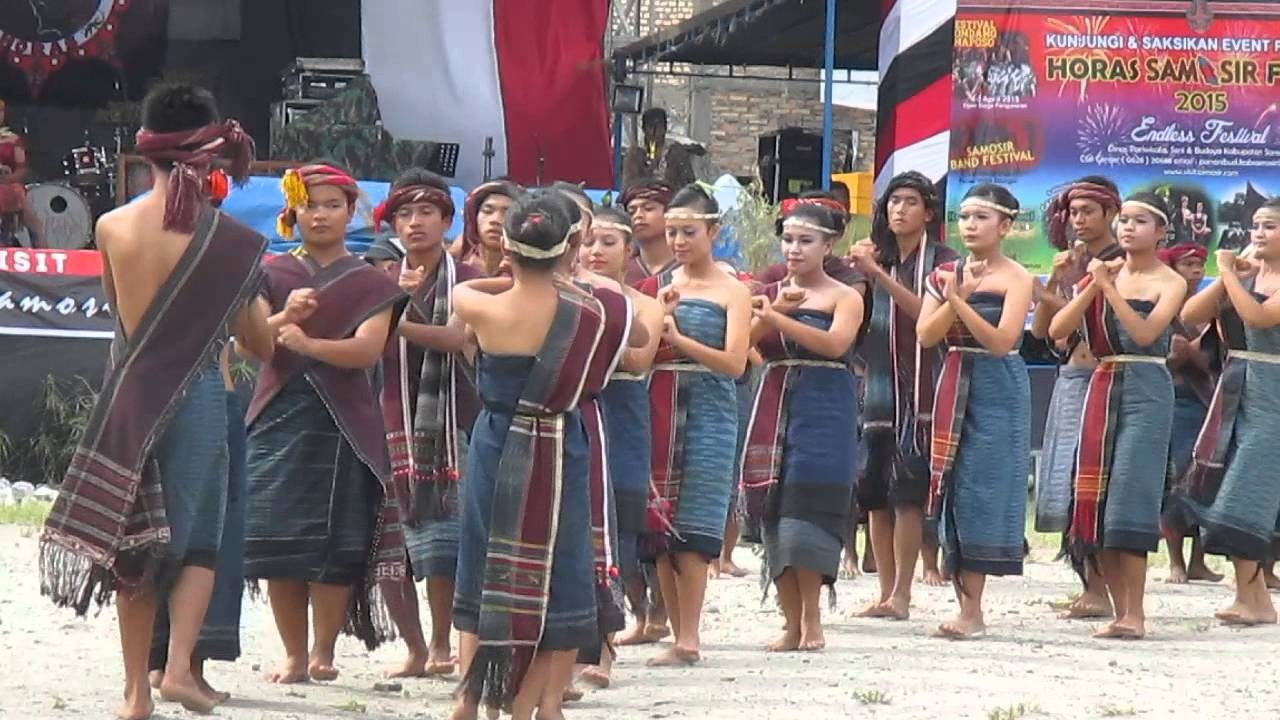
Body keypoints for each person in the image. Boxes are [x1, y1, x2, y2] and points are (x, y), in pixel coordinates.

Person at [38, 82, 269, 720]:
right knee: (197, 542)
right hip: (197, 394)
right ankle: (179, 672)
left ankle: (135, 691)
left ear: (148, 153)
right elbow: (261, 343)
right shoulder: (233, 243)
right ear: (212, 155)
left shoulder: (112, 225)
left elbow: (120, 312)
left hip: (129, 395)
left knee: (134, 544)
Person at [449, 191, 620, 720]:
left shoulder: (479, 305)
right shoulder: (594, 312)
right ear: (572, 245)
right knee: (560, 571)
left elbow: (467, 290)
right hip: (559, 444)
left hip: (497, 442)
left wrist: (504, 271)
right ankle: (530, 706)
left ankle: (467, 700)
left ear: (506, 244)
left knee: (485, 563)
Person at [244, 163, 407, 683]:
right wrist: (283, 317)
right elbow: (253, 344)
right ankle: (294, 655)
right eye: (311, 205)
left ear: (351, 210)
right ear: (293, 210)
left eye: (333, 205)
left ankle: (323, 653)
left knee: (338, 543)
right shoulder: (271, 271)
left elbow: (365, 350)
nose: (321, 215)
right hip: (278, 418)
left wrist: (310, 343)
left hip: (345, 424)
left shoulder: (368, 281)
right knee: (278, 542)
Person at [1049, 191, 1186, 640]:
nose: (1128, 228)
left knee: (1131, 494)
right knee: (1097, 495)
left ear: (1161, 232)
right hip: (1102, 384)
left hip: (1147, 387)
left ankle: (1136, 612)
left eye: (1140, 221)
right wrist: (1091, 286)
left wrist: (1108, 289)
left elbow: (1146, 334)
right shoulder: (1102, 275)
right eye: (1124, 220)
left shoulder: (1170, 281)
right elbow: (1057, 330)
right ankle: (1113, 605)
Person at [373, 169, 484, 679]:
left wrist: (400, 310)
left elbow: (458, 339)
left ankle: (442, 643)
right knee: (391, 538)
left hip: (452, 421)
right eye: (403, 214)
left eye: (425, 213)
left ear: (446, 220)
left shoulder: (469, 279)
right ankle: (415, 646)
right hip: (391, 416)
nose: (414, 223)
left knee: (444, 540)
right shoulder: (377, 276)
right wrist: (391, 297)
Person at [742, 201, 864, 651]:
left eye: (806, 241)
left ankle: (813, 620)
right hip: (774, 401)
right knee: (774, 511)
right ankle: (789, 620)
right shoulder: (769, 290)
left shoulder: (844, 295)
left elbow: (835, 345)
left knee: (808, 510)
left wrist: (777, 316)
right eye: (788, 240)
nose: (794, 249)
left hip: (825, 406)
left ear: (829, 245)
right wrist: (768, 310)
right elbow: (737, 348)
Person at [639, 184, 751, 667]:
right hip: (657, 405)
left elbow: (734, 363)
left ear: (714, 231)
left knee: (696, 525)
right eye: (672, 232)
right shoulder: (658, 284)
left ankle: (690, 635)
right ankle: (668, 627)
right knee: (658, 523)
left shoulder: (733, 290)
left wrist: (680, 338)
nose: (679, 241)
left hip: (709, 409)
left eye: (689, 231)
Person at [917, 184, 1034, 639]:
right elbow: (927, 335)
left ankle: (974, 609)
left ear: (1005, 226)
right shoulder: (944, 273)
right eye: (964, 216)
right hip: (954, 376)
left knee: (984, 488)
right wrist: (952, 297)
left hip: (997, 385)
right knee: (952, 483)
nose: (970, 225)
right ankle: (965, 605)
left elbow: (1004, 341)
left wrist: (960, 300)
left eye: (981, 217)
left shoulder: (1018, 278)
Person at [847, 171, 957, 620]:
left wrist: (879, 276)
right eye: (893, 202)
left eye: (910, 202)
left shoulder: (945, 262)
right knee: (874, 490)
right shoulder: (880, 258)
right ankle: (885, 590)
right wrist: (861, 274)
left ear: (928, 213)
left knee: (907, 491)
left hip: (923, 386)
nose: (899, 210)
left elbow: (925, 316)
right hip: (877, 383)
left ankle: (904, 595)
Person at [1165, 199, 1280, 626]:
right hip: (1234, 390)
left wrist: (1231, 274)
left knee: (1247, 492)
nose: (1259, 233)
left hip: (1272, 391)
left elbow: (1261, 316)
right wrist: (1227, 277)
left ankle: (1256, 596)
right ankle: (1251, 598)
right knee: (1221, 486)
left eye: (1270, 226)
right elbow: (1191, 314)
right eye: (1256, 226)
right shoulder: (1248, 271)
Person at [575, 206, 666, 677]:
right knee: (577, 528)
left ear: (630, 250)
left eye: (608, 242)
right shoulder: (566, 293)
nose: (596, 251)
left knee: (621, 533)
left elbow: (636, 359)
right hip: (578, 407)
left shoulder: (645, 303)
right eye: (589, 241)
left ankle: (607, 645)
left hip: (624, 414)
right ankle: (578, 647)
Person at [1030, 176, 1124, 620]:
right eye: (1073, 212)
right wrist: (1054, 282)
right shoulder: (1072, 262)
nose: (1079, 220)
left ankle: (1103, 588)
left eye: (1088, 211)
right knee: (1066, 477)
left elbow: (1087, 324)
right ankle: (1088, 583)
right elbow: (1040, 331)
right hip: (1071, 374)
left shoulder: (1120, 263)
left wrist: (1066, 289)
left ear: (1110, 214)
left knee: (1093, 480)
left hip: (1103, 376)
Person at [147, 346, 251, 706]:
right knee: (206, 538)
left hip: (146, 385)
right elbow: (255, 340)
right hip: (207, 390)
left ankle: (151, 672)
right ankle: (184, 669)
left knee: (152, 527)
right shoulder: (221, 285)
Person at [1158, 243, 1222, 584]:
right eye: (1187, 263)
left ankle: (1199, 560)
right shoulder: (1166, 305)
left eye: (1200, 263)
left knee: (1205, 480)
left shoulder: (1208, 309)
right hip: (1174, 400)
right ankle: (1175, 562)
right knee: (1176, 478)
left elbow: (1213, 357)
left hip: (1207, 402)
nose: (1196, 270)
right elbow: (1167, 358)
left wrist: (1197, 353)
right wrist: (1185, 354)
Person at [450, 179, 520, 276]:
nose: (495, 220)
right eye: (487, 211)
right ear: (474, 218)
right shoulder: (455, 263)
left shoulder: (531, 271)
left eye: (507, 213)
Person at [622, 107, 699, 190]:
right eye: (651, 127)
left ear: (665, 129)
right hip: (642, 198)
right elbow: (629, 185)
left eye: (659, 127)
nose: (655, 132)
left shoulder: (676, 152)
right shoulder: (635, 153)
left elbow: (688, 183)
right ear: (644, 129)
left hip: (670, 199)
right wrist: (647, 174)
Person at [620, 177, 679, 286]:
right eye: (631, 211)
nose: (638, 216)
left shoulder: (689, 268)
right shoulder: (621, 270)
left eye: (648, 208)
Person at [0, 98, 41, 245]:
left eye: (1, 111)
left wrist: (6, 178)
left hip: (7, 184)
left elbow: (22, 169)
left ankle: (39, 244)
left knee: (17, 192)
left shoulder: (13, 139)